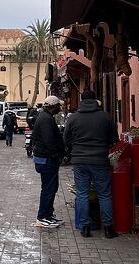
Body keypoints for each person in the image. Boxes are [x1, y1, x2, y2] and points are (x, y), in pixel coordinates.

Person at [64, 89, 119, 238]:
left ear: (82, 100)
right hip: (100, 160)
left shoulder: (73, 118)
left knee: (82, 194)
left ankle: (85, 227)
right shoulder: (104, 117)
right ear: (95, 100)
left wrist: (75, 149)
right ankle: (108, 228)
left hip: (79, 161)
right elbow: (114, 139)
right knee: (104, 194)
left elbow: (66, 139)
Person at [31, 95, 65, 229]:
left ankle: (48, 214)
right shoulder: (46, 119)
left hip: (46, 158)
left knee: (51, 187)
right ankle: (43, 216)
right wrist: (56, 155)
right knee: (48, 188)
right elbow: (49, 141)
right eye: (58, 106)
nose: (60, 108)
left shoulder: (45, 117)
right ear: (53, 106)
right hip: (47, 160)